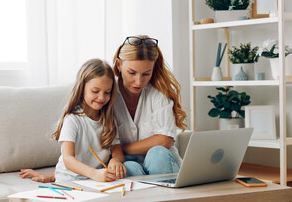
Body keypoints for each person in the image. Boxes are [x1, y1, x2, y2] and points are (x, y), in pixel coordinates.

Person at [19, 58, 126, 182]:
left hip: (93, 180)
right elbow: (68, 159)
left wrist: (115, 160)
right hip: (69, 180)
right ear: (82, 88)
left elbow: (118, 152)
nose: (102, 97)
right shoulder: (72, 120)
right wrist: (94, 174)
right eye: (95, 91)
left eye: (107, 92)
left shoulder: (109, 120)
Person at [113, 35, 187, 176]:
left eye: (146, 74)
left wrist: (119, 149)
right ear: (119, 65)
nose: (139, 82)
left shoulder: (158, 94)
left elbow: (164, 140)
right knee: (129, 167)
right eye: (132, 73)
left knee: (157, 153)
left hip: (162, 163)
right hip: (127, 165)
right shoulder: (106, 93)